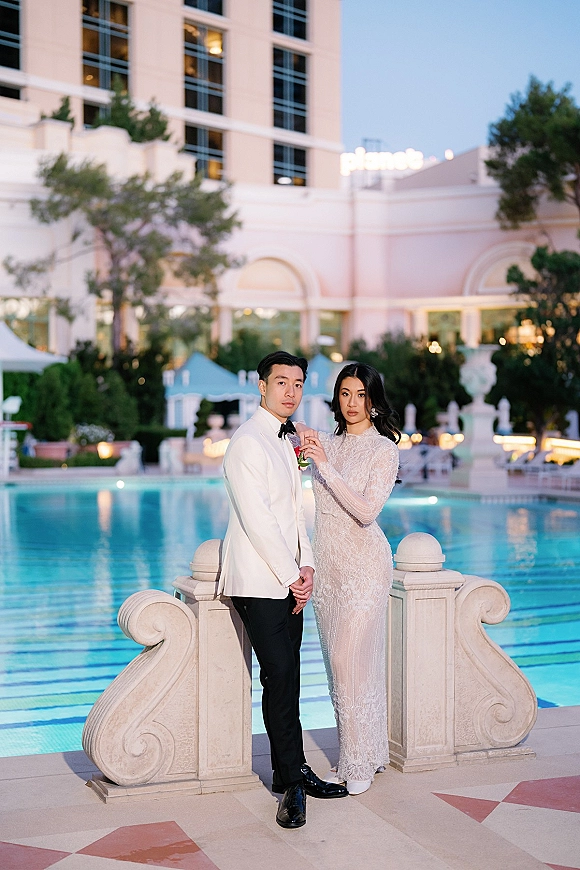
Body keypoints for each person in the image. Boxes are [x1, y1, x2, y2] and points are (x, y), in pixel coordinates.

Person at [218, 351, 348, 830]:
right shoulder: (247, 443)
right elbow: (258, 520)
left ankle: (288, 771)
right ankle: (292, 781)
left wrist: (307, 563)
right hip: (259, 579)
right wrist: (291, 574)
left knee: (287, 676)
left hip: (288, 576)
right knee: (279, 677)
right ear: (260, 385)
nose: (290, 391)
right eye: (281, 382)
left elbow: (295, 512)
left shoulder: (285, 438)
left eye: (298, 383)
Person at [298, 363, 400, 795]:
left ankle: (356, 763)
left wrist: (324, 464)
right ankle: (368, 752)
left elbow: (365, 511)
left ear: (374, 400)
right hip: (329, 568)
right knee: (343, 667)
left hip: (365, 566)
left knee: (346, 657)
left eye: (361, 394)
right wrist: (303, 444)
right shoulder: (327, 443)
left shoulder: (383, 450)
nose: (353, 403)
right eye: (345, 393)